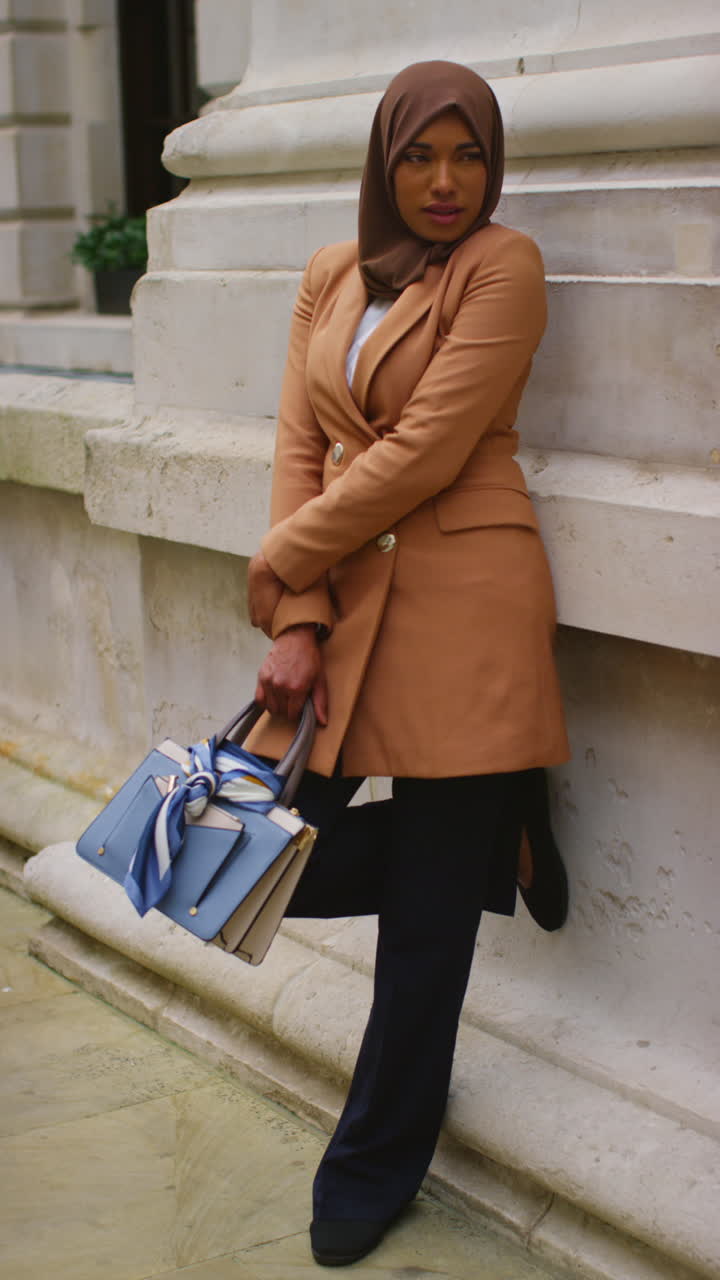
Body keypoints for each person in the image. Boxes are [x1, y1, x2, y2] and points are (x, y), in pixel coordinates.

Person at [245, 60, 570, 1268]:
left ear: (493, 164)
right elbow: (300, 442)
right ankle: (500, 828)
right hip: (342, 598)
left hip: (468, 596)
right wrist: (296, 609)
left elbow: (430, 446)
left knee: (426, 932)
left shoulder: (506, 265)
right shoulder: (332, 273)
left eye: (469, 154)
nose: (445, 182)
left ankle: (371, 1165)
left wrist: (276, 560)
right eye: (420, 156)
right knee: (259, 858)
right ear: (384, 162)